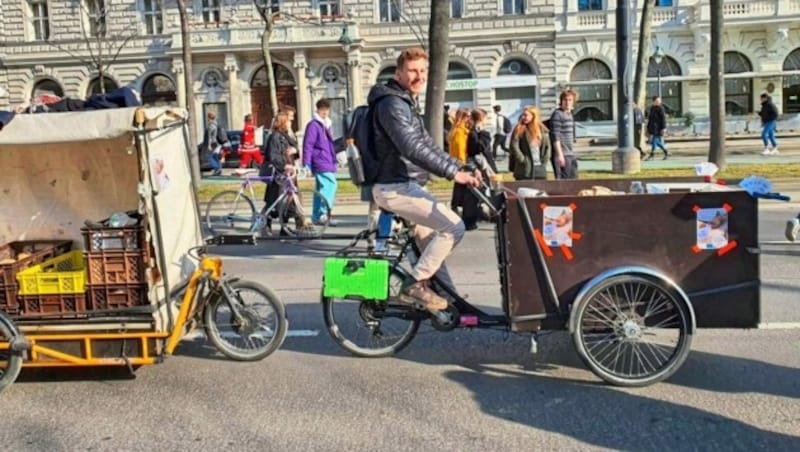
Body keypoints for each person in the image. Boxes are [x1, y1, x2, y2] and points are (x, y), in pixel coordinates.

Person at [368, 47, 481, 312]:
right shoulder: (392, 104)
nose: (418, 76)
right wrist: (454, 173)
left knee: (433, 247)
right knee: (454, 228)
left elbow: (426, 144)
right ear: (398, 73)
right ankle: (415, 285)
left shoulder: (403, 100)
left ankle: (451, 306)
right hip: (395, 186)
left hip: (404, 183)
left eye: (422, 71)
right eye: (412, 71)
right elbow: (412, 148)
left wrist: (460, 165)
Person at [261, 112, 304, 235]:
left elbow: (294, 147)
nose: (291, 123)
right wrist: (284, 165)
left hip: (288, 173)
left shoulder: (285, 135)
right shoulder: (275, 136)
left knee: (288, 200)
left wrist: (295, 151)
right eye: (288, 121)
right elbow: (273, 156)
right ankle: (266, 224)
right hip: (279, 174)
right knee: (275, 201)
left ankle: (284, 226)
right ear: (283, 122)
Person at [303, 98, 339, 225]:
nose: (325, 112)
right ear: (317, 110)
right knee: (331, 185)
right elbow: (308, 144)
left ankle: (317, 216)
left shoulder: (327, 124)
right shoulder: (314, 125)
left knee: (320, 189)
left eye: (326, 110)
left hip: (326, 159)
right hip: (320, 160)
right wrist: (306, 163)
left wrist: (334, 160)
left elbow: (330, 145)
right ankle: (324, 212)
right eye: (322, 110)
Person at [461, 108, 496, 230]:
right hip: (480, 167)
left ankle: (482, 215)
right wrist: (485, 135)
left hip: (484, 166)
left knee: (485, 192)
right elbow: (478, 149)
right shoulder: (474, 133)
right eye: (486, 118)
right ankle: (470, 220)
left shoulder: (476, 132)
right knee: (476, 194)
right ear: (481, 119)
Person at [510, 105, 551, 181]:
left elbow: (547, 147)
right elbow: (514, 146)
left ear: (533, 116)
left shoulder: (542, 129)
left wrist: (544, 162)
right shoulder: (519, 128)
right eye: (522, 115)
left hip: (539, 168)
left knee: (540, 191)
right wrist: (522, 160)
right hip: (524, 169)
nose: (523, 117)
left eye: (526, 115)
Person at [549, 89, 578, 179]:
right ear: (561, 101)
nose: (567, 102)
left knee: (574, 180)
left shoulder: (569, 114)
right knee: (563, 183)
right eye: (565, 100)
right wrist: (560, 155)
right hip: (562, 154)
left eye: (570, 100)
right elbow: (555, 136)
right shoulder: (557, 114)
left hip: (570, 153)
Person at [448, 108, 471, 213]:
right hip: (460, 161)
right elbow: (460, 148)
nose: (470, 119)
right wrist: (463, 163)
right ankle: (457, 205)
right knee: (460, 185)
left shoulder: (458, 129)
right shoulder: (459, 131)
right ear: (463, 118)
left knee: (459, 185)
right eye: (468, 116)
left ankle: (457, 204)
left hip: (457, 160)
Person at [203, 111, 228, 176]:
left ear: (208, 118)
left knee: (209, 156)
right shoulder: (216, 124)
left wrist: (209, 145)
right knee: (215, 156)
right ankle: (219, 169)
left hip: (213, 143)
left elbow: (209, 137)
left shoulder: (210, 125)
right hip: (218, 143)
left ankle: (217, 168)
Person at [645, 96, 670, 161]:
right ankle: (666, 152)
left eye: (659, 101)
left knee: (654, 141)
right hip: (653, 128)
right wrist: (648, 128)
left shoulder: (661, 108)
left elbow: (663, 119)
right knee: (656, 142)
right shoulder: (652, 108)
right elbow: (650, 119)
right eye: (657, 101)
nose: (659, 102)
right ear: (654, 101)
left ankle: (652, 155)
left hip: (659, 128)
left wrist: (664, 128)